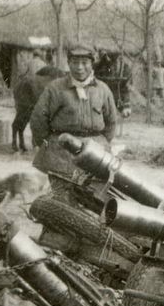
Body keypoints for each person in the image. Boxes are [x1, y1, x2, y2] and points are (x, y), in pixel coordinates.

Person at [29, 44, 118, 194]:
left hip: (95, 154)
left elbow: (111, 122)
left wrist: (101, 143)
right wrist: (48, 145)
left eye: (84, 62)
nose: (79, 67)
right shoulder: (55, 88)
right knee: (63, 198)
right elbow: (38, 119)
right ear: (68, 63)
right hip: (61, 154)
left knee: (92, 197)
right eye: (75, 62)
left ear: (92, 63)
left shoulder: (102, 90)